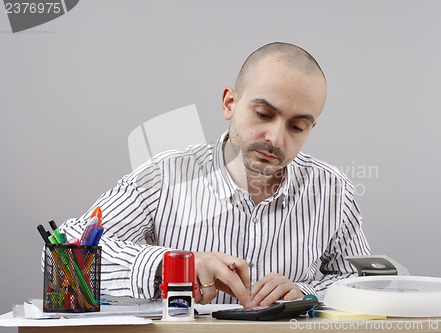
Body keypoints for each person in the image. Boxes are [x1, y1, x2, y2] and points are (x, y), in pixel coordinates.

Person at [59, 42, 370, 309]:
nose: (275, 138)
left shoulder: (332, 190)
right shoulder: (163, 176)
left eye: (296, 127)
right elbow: (66, 258)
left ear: (310, 129)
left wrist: (306, 293)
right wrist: (171, 265)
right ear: (229, 104)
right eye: (263, 114)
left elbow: (360, 282)